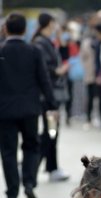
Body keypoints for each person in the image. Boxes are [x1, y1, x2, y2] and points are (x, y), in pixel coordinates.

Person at [0, 13, 57, 198]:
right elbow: (44, 79)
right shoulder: (33, 51)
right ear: (25, 30)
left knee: (8, 150)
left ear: (6, 29)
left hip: (5, 110)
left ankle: (12, 192)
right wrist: (52, 103)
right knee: (31, 146)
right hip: (30, 108)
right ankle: (29, 182)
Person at [32, 13, 71, 183]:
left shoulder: (47, 42)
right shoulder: (41, 43)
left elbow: (61, 57)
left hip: (51, 92)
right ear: (50, 23)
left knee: (52, 130)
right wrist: (58, 71)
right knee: (51, 131)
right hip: (48, 94)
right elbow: (45, 69)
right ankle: (37, 166)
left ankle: (50, 166)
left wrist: (61, 42)